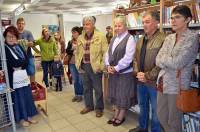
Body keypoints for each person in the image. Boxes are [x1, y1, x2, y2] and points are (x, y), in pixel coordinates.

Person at [156, 5, 199, 132]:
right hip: (162, 82)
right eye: (172, 18)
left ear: (187, 20)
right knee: (161, 116)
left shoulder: (192, 38)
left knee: (173, 121)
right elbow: (157, 60)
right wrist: (169, 60)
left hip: (177, 85)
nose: (173, 21)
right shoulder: (169, 37)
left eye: (177, 17)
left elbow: (178, 63)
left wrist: (166, 60)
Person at [129, 10, 165, 132]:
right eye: (143, 22)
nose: (144, 25)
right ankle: (142, 128)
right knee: (143, 106)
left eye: (147, 22)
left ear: (156, 23)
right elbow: (134, 59)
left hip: (155, 83)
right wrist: (137, 73)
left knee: (156, 110)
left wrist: (148, 76)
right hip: (141, 81)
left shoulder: (164, 39)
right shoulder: (140, 40)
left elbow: (162, 64)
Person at [105, 15, 136, 126]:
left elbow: (128, 57)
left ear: (125, 26)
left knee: (123, 95)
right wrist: (108, 65)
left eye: (119, 25)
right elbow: (107, 54)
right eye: (115, 25)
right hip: (113, 72)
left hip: (124, 73)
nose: (117, 28)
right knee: (115, 93)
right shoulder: (114, 38)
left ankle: (121, 116)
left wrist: (116, 68)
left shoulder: (130, 38)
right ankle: (116, 113)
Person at [3, 26, 38, 127]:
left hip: (22, 76)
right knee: (18, 98)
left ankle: (29, 116)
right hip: (13, 79)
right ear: (5, 37)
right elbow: (13, 63)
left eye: (13, 36)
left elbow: (26, 60)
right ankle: (21, 118)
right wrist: (20, 63)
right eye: (9, 36)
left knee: (27, 96)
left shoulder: (18, 46)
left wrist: (20, 63)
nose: (11, 38)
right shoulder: (4, 48)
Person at [75, 16, 108, 117]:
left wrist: (102, 66)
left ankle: (99, 108)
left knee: (98, 89)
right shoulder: (80, 37)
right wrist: (78, 64)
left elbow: (105, 53)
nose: (85, 26)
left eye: (88, 24)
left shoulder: (101, 36)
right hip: (84, 66)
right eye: (84, 24)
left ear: (93, 25)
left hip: (95, 67)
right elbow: (77, 52)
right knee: (86, 88)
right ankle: (89, 106)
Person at [16, 17, 38, 84]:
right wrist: (25, 42)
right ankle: (24, 86)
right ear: (16, 24)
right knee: (21, 73)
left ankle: (33, 86)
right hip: (18, 57)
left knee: (32, 71)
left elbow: (32, 44)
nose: (21, 25)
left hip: (28, 56)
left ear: (24, 24)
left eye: (22, 23)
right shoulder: (14, 33)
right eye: (19, 23)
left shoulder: (28, 32)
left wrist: (20, 42)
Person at [66, 26, 83, 102]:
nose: (73, 34)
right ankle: (76, 94)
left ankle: (80, 95)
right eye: (72, 32)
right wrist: (72, 51)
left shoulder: (82, 41)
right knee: (75, 80)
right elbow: (67, 51)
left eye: (75, 32)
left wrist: (78, 50)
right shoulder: (70, 42)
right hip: (72, 63)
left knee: (80, 80)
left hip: (80, 63)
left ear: (79, 33)